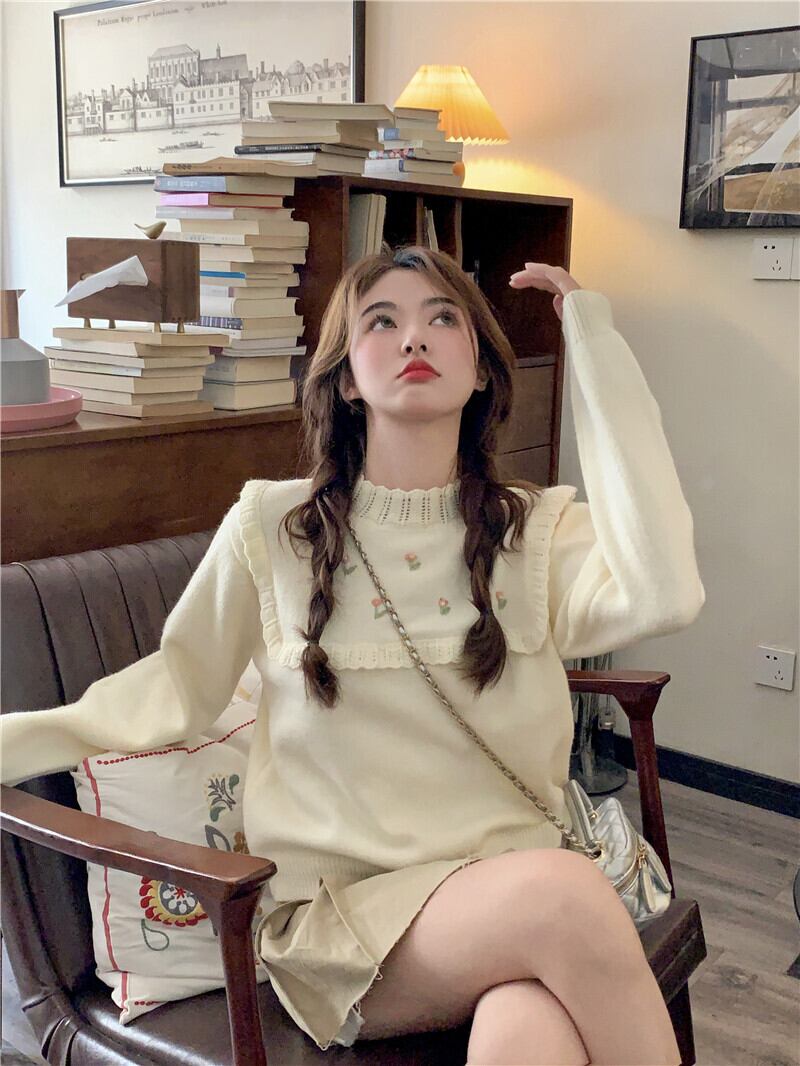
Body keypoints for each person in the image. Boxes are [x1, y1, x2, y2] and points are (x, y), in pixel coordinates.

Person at [0, 247, 705, 1065]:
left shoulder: (535, 530)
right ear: (345, 379)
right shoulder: (275, 530)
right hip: (344, 927)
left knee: (529, 1027)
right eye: (382, 321)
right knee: (566, 901)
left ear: (481, 368)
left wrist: (594, 342)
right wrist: (14, 741)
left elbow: (666, 593)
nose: (414, 338)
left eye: (443, 318)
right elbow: (175, 691)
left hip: (513, 895)